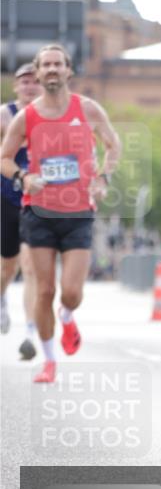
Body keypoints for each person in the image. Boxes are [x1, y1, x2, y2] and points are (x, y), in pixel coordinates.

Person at [0, 44, 121, 383]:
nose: (52, 69)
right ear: (38, 73)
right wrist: (24, 177)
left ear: (69, 71)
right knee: (44, 290)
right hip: (38, 212)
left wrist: (103, 177)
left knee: (71, 293)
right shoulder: (27, 117)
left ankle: (67, 316)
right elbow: (4, 158)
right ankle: (49, 360)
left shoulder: (88, 109)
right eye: (46, 65)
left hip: (78, 211)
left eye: (58, 64)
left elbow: (113, 145)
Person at [0, 63, 41, 357]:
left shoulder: (49, 115)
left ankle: (30, 332)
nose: (29, 86)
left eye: (34, 81)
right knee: (7, 266)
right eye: (24, 82)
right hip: (6, 197)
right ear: (16, 87)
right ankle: (2, 297)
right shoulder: (5, 115)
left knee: (30, 266)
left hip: (36, 200)